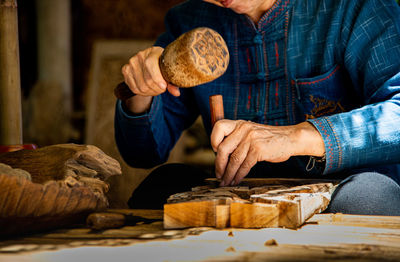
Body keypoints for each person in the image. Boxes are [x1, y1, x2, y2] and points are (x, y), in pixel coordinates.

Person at [115, 0, 400, 214]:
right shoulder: (189, 19)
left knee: (369, 199)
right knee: (160, 188)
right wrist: (142, 91)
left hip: (343, 186)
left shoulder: (355, 6)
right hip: (237, 191)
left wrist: (298, 136)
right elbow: (142, 153)